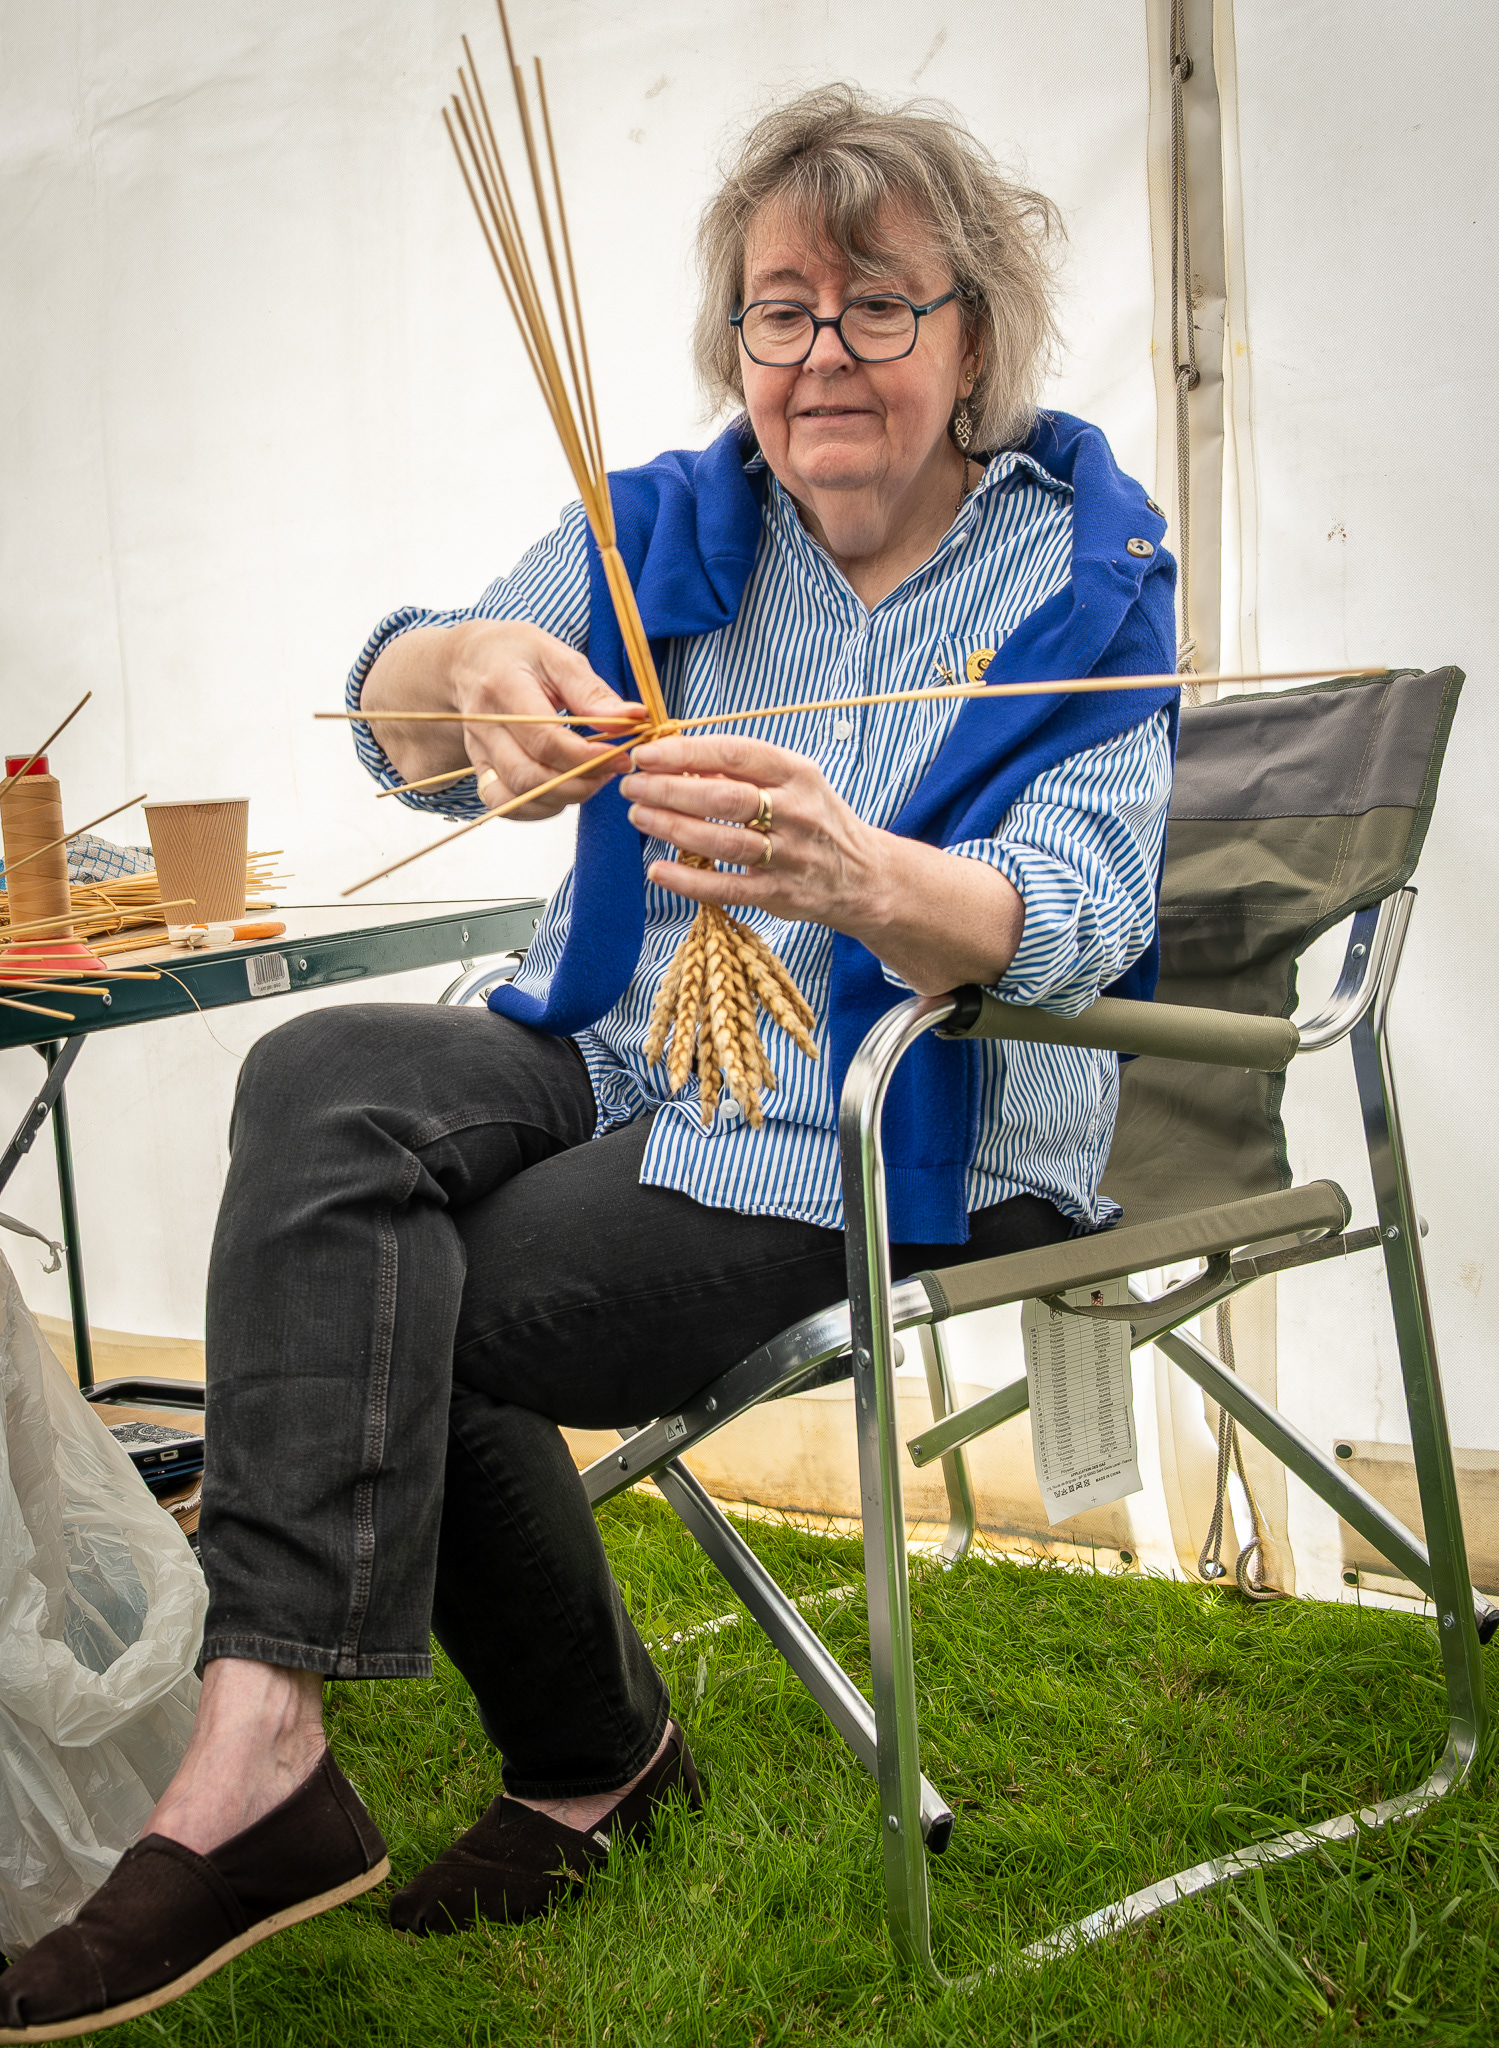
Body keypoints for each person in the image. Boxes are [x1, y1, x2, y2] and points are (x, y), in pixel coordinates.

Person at [0, 84, 1177, 2041]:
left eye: (879, 305)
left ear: (976, 332)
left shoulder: (1079, 571)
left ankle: (581, 1759)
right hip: (620, 1048)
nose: (821, 354)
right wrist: (466, 676)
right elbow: (404, 711)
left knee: (438, 1280)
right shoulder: (668, 527)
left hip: (888, 1106)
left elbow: (1084, 909)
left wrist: (866, 872)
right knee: (321, 1083)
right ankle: (269, 1732)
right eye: (779, 307)